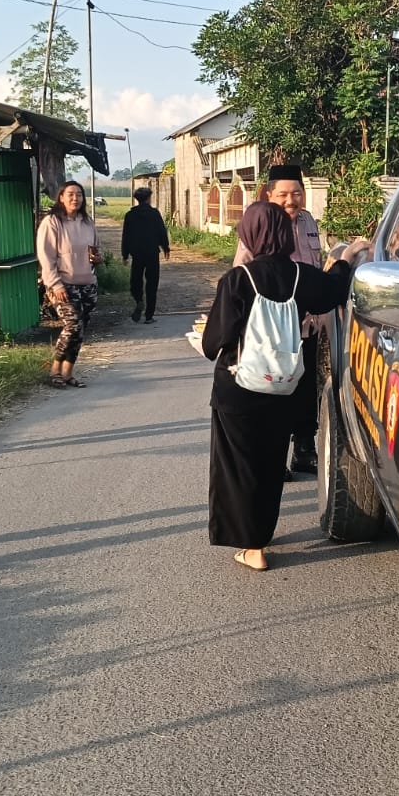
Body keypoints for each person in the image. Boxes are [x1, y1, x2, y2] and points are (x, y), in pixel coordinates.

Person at [202, 202, 367, 571]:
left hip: (238, 388)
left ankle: (253, 547)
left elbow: (214, 343)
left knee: (238, 467)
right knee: (271, 462)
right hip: (283, 386)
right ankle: (261, 535)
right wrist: (346, 257)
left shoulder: (237, 279)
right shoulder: (300, 276)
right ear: (286, 234)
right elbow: (335, 290)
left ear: (250, 234)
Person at [233, 166, 325, 476]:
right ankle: (274, 458)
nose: (291, 200)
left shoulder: (308, 221)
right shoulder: (261, 224)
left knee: (305, 391)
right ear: (269, 195)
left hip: (307, 325)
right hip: (273, 330)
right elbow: (241, 271)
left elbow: (316, 264)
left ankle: (304, 450)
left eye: (296, 193)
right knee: (274, 393)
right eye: (283, 194)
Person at [37, 180, 101, 387]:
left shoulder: (87, 222)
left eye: (79, 194)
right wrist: (55, 284)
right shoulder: (52, 222)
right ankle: (54, 370)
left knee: (80, 329)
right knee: (72, 325)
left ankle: (67, 373)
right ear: (61, 198)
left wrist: (96, 259)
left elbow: (96, 249)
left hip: (87, 282)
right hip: (63, 283)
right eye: (71, 194)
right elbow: (46, 257)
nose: (75, 198)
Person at [120, 186, 171, 323]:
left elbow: (126, 236)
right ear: (148, 198)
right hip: (152, 253)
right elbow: (161, 231)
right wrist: (166, 248)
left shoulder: (130, 215)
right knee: (152, 284)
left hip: (137, 254)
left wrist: (125, 255)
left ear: (137, 199)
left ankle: (139, 300)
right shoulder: (154, 214)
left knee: (135, 282)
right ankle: (149, 316)